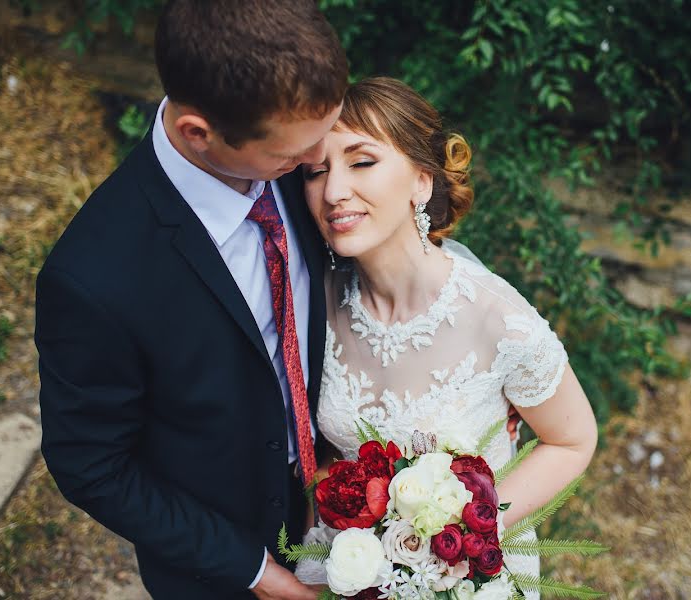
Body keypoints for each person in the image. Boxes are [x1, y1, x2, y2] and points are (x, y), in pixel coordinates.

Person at [34, 1, 348, 598]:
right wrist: (250, 570)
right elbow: (92, 466)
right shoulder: (93, 280)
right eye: (291, 153)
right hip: (218, 551)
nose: (319, 163)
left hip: (348, 497)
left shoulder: (302, 155)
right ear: (197, 134)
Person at [296, 77, 598, 598]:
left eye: (361, 161)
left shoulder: (497, 319)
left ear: (421, 180)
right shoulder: (312, 300)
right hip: (345, 573)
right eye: (315, 171)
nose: (333, 190)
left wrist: (467, 536)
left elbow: (572, 440)